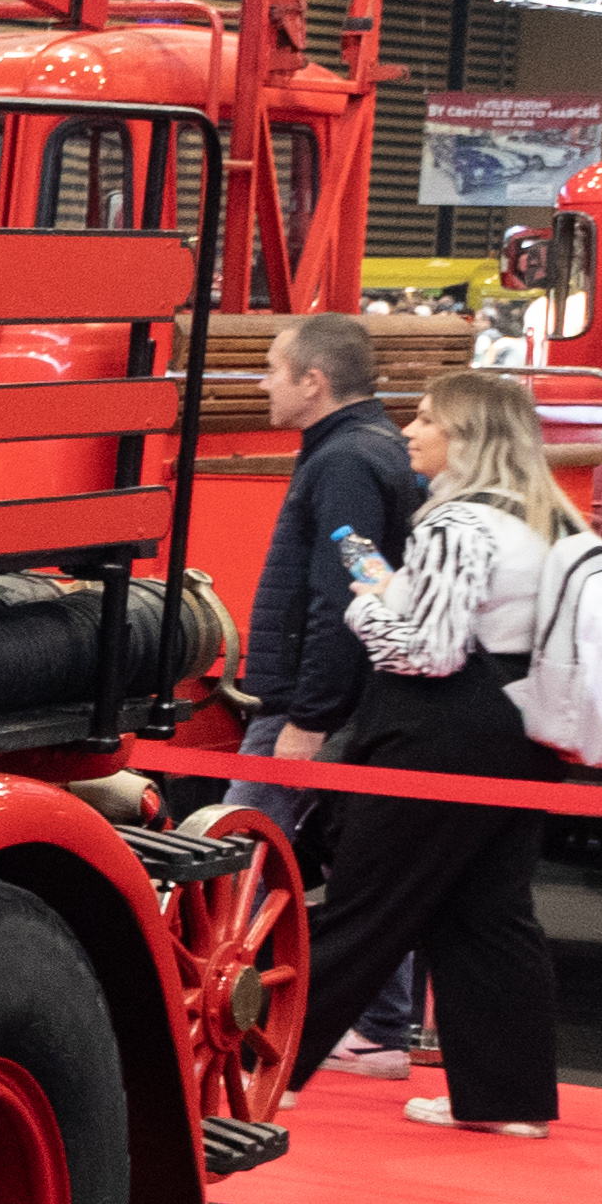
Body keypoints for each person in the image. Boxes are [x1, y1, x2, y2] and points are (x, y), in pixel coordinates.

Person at [293, 368, 576, 1140]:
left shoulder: (459, 524)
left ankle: (263, 1064)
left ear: (468, 437)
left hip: (440, 736)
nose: (409, 431)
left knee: (364, 903)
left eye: (425, 418)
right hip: (516, 734)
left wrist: (367, 603)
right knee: (489, 915)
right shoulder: (549, 519)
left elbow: (427, 652)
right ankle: (507, 1098)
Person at [230, 312, 428, 1069]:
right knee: (359, 860)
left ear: (313, 381)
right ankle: (382, 1023)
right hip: (343, 702)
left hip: (312, 710)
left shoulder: (344, 462)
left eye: (273, 369)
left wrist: (307, 718)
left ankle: (233, 1019)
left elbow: (341, 598)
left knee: (242, 850)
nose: (262, 383)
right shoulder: (358, 451)